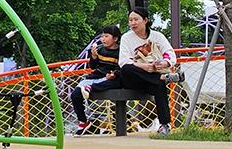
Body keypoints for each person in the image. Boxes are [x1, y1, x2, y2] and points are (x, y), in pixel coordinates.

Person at [112, 8, 182, 136]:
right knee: (127, 69)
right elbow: (123, 61)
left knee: (159, 85)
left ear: (145, 20)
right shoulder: (126, 38)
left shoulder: (157, 36)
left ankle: (165, 125)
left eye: (136, 19)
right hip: (133, 79)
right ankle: (164, 78)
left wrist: (165, 63)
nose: (133, 23)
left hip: (151, 77)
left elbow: (170, 53)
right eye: (130, 20)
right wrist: (144, 66)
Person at [70, 25, 122, 135]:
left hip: (112, 78)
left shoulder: (121, 51)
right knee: (75, 94)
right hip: (97, 76)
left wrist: (114, 74)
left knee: (113, 82)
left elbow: (122, 67)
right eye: (102, 36)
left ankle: (90, 88)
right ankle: (83, 121)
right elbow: (93, 66)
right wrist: (93, 56)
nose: (103, 39)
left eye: (106, 36)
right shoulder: (99, 49)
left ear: (115, 38)